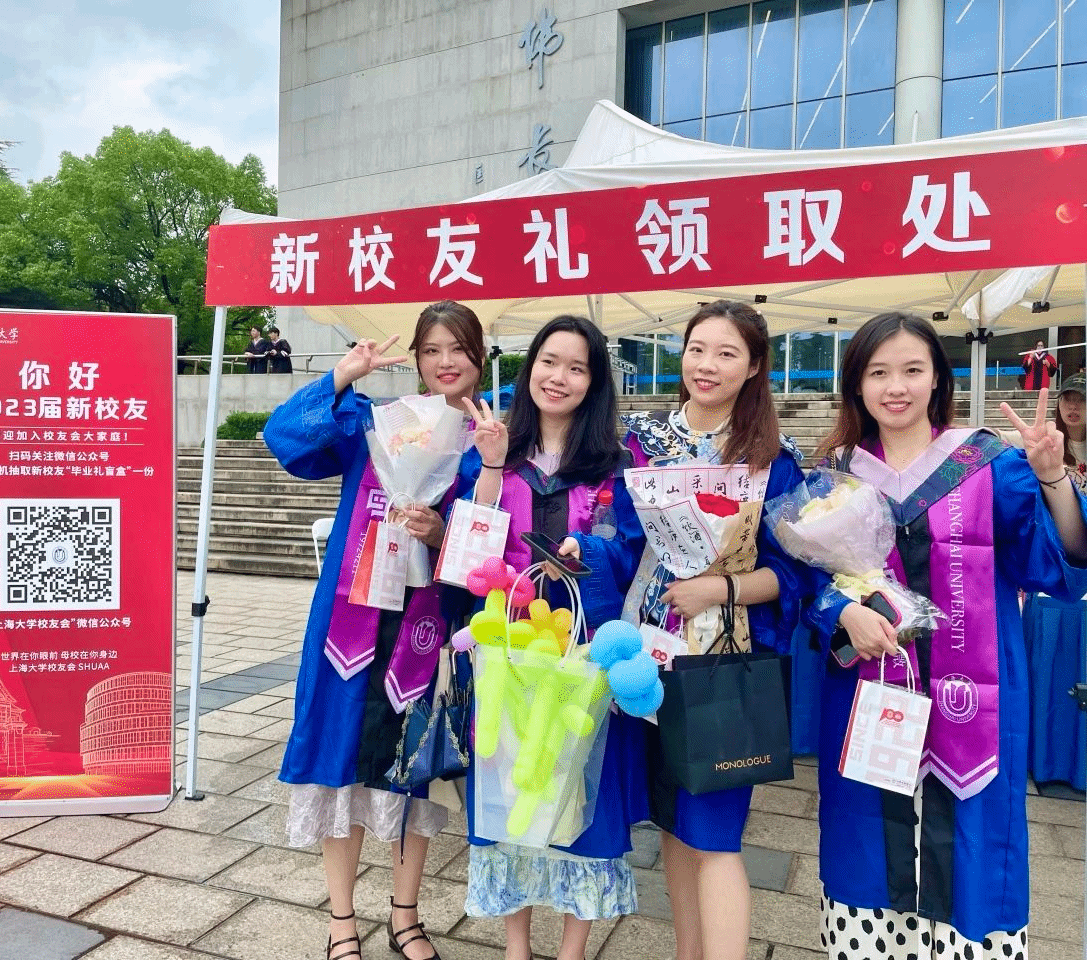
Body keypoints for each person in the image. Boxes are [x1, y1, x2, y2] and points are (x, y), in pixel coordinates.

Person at [807, 312, 1087, 959]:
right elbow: (808, 580)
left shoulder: (988, 463)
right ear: (856, 384)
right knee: (867, 838)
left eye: (912, 370)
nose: (896, 387)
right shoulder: (837, 473)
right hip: (870, 692)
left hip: (973, 702)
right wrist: (841, 613)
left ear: (938, 378)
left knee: (970, 842)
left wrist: (1053, 477)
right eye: (878, 372)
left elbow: (1064, 566)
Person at [264, 301, 487, 960]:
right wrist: (342, 375)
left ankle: (405, 915)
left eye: (459, 349)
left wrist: (441, 532)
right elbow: (286, 439)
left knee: (414, 769)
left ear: (479, 357)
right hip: (350, 621)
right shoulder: (375, 421)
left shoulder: (490, 439)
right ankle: (341, 921)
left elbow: (490, 549)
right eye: (432, 349)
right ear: (416, 358)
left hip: (429, 627)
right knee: (339, 763)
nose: (446, 362)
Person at [622, 300, 806, 960]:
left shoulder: (771, 460)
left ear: (754, 367)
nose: (707, 365)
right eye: (697, 349)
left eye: (727, 353)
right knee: (673, 822)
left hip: (726, 662)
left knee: (717, 834)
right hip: (651, 659)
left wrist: (719, 589)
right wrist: (586, 548)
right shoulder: (643, 444)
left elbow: (794, 573)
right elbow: (623, 542)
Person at [461, 314, 648, 960]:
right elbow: (468, 542)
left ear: (594, 383)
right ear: (529, 369)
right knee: (507, 792)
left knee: (580, 789)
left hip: (580, 657)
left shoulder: (616, 467)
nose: (559, 377)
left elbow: (632, 552)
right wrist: (490, 466)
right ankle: (516, 948)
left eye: (576, 367)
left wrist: (586, 550)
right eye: (548, 361)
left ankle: (570, 951)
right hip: (506, 654)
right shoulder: (494, 451)